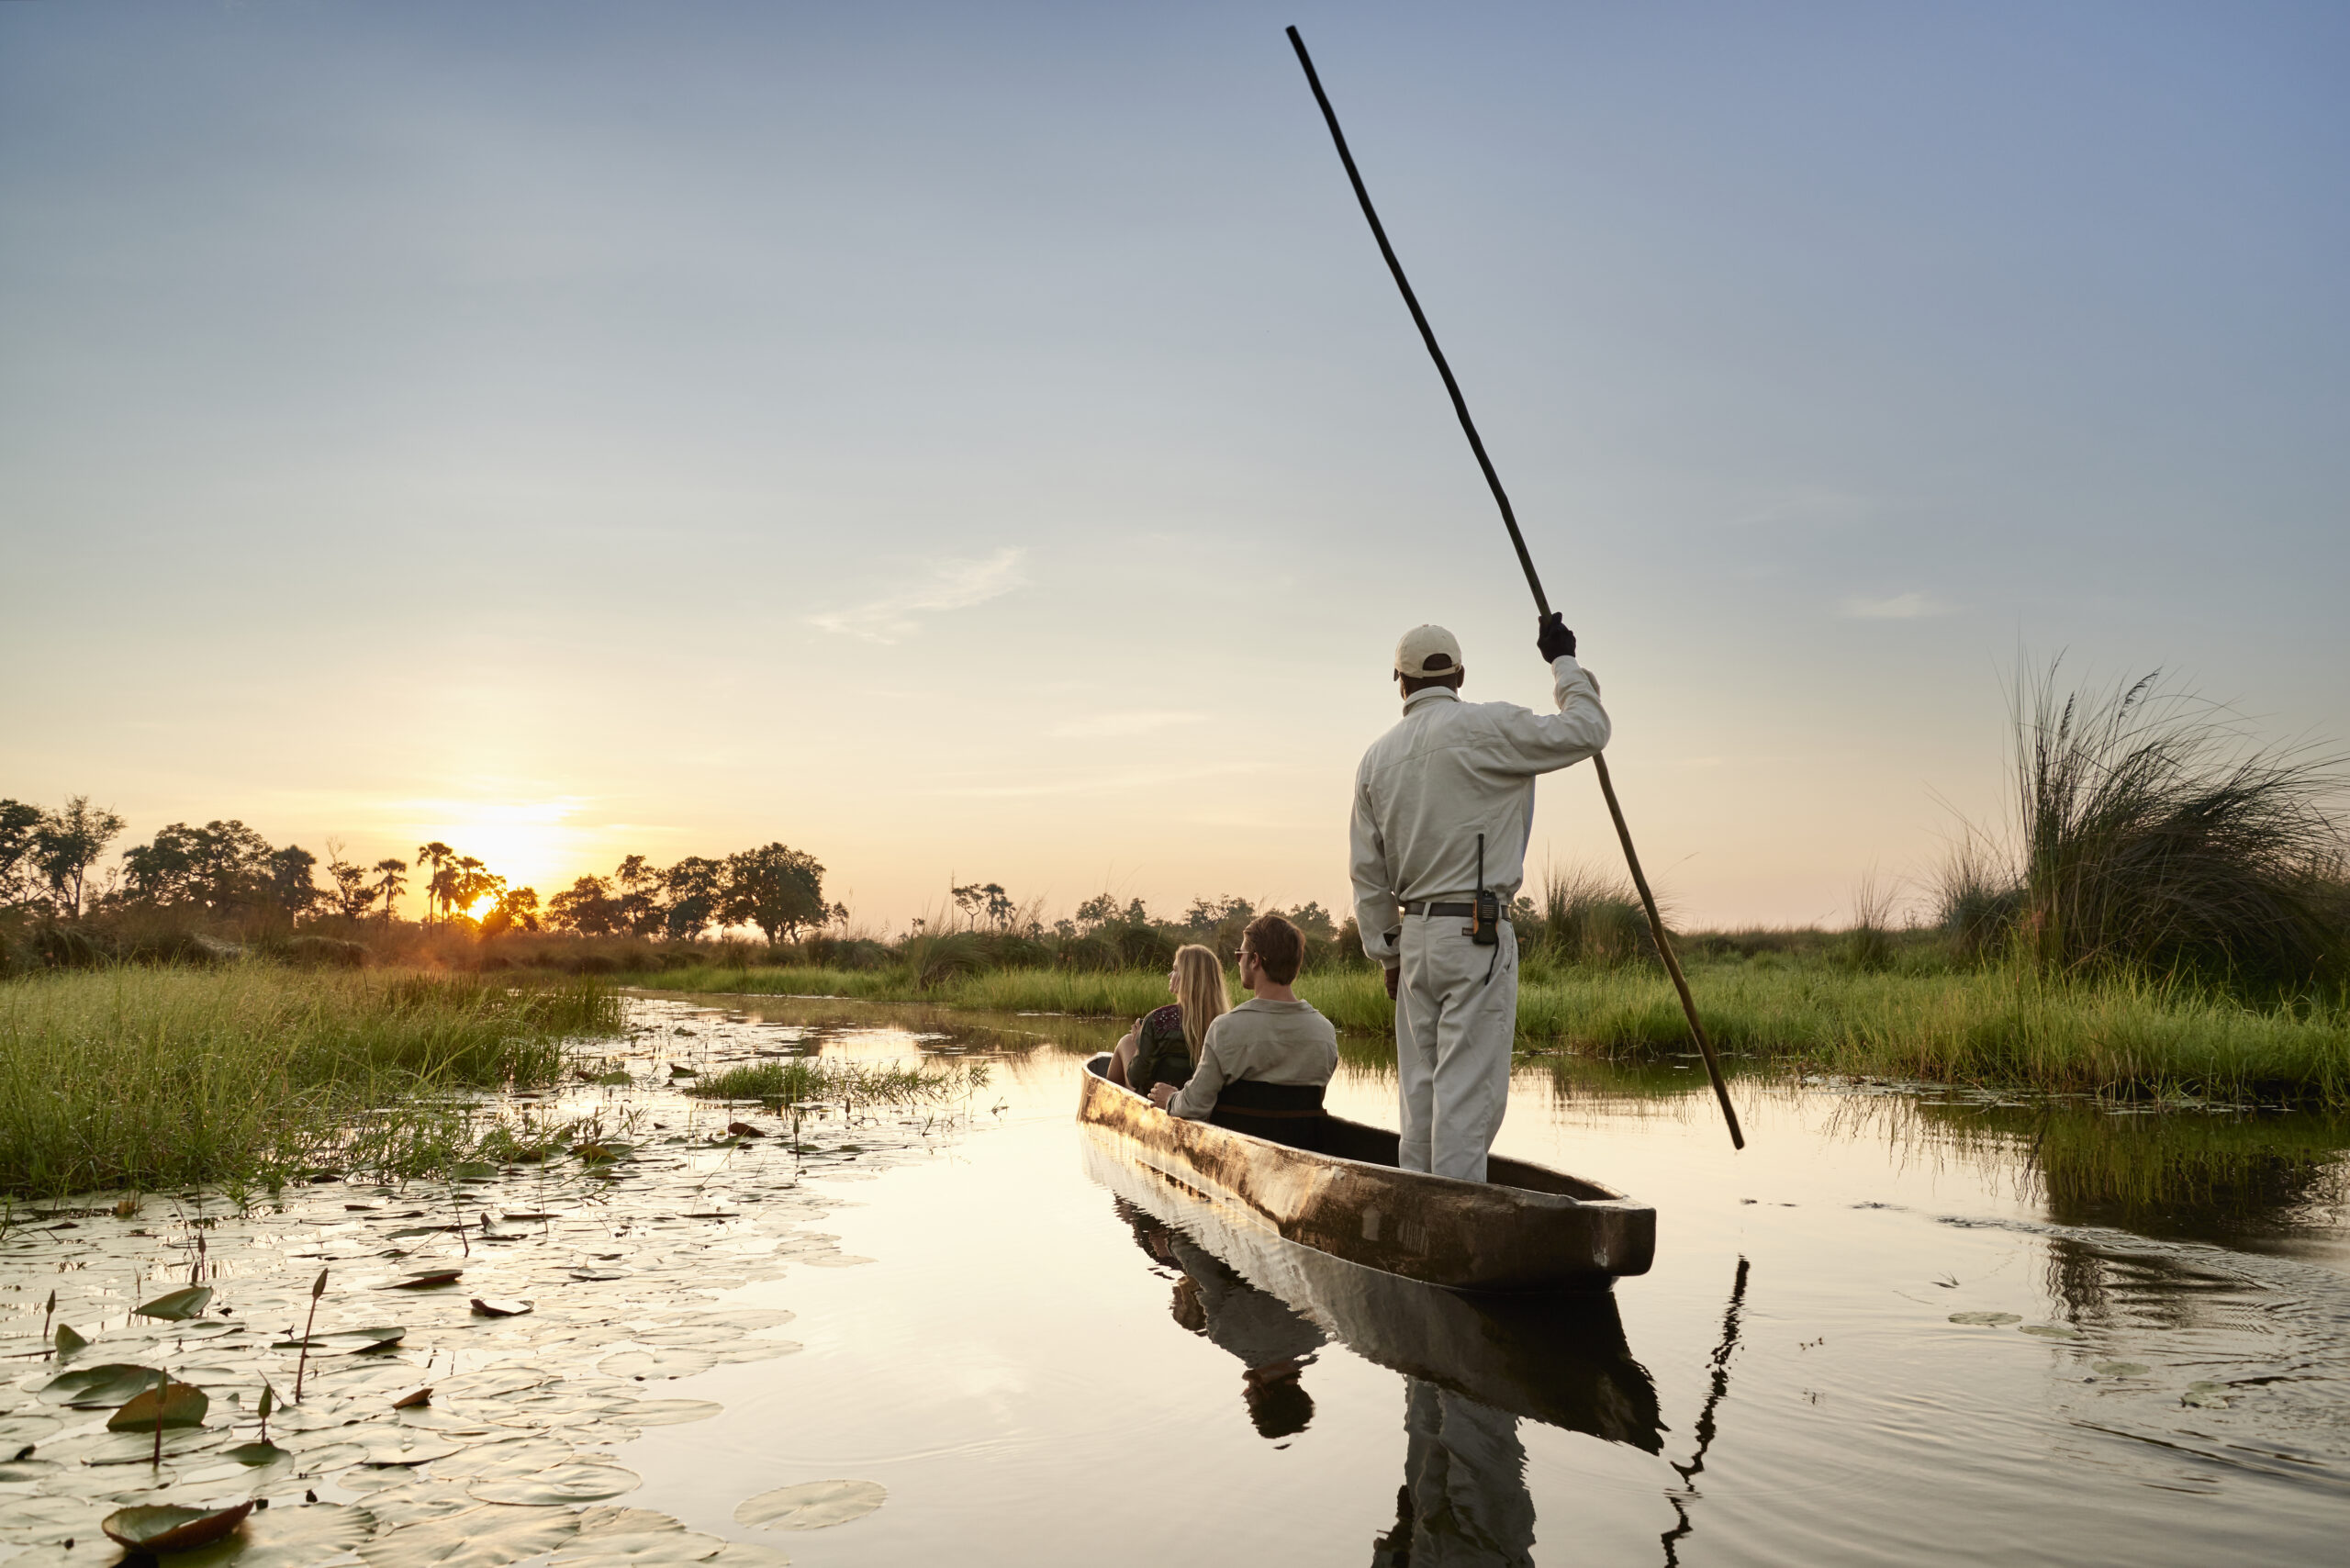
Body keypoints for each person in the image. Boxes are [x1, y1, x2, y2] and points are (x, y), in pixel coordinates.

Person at [1349, 617, 1607, 1182]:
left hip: (1415, 940)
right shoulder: (1491, 727)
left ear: (1400, 681)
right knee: (1465, 1101)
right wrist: (1563, 661)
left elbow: (1368, 877)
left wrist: (1388, 954)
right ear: (1460, 674)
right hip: (1477, 936)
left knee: (1420, 1100)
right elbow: (1588, 729)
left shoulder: (1375, 760)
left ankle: (1414, 1220)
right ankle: (1451, 1234)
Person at [1150, 913, 1337, 1147]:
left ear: (1255, 960)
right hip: (1305, 1150)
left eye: (1240, 955)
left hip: (1239, 1154)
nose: (1238, 961)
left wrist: (1170, 1099)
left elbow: (1193, 1106)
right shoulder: (1325, 1032)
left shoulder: (1226, 1028)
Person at [1107, 943, 1227, 1095]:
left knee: (1125, 1042)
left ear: (1189, 978)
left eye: (1176, 970)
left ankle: (1107, 1102)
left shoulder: (1159, 1020)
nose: (1169, 975)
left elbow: (1135, 1078)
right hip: (1200, 1098)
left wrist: (1139, 1042)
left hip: (1156, 1097)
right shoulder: (1224, 1023)